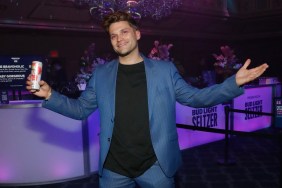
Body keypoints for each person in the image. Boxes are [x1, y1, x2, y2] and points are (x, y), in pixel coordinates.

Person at [26, 11, 269, 188]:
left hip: (156, 166)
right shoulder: (100, 74)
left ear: (137, 34)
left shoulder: (164, 70)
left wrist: (233, 82)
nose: (119, 38)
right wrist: (49, 95)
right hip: (113, 169)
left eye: (124, 32)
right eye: (113, 36)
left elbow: (196, 98)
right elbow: (80, 109)